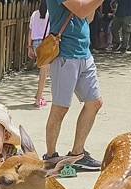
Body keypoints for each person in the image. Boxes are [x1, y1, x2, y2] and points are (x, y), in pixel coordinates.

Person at [43, 0, 105, 171]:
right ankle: (50, 157)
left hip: (84, 53)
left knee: (95, 103)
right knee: (60, 108)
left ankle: (77, 154)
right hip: (65, 55)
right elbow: (81, 10)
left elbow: (89, 17)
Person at [28, 1, 51, 108]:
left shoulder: (34, 14)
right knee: (44, 74)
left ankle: (38, 94)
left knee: (43, 71)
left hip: (36, 43)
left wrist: (29, 47)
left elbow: (30, 31)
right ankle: (38, 99)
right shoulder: (51, 15)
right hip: (46, 44)